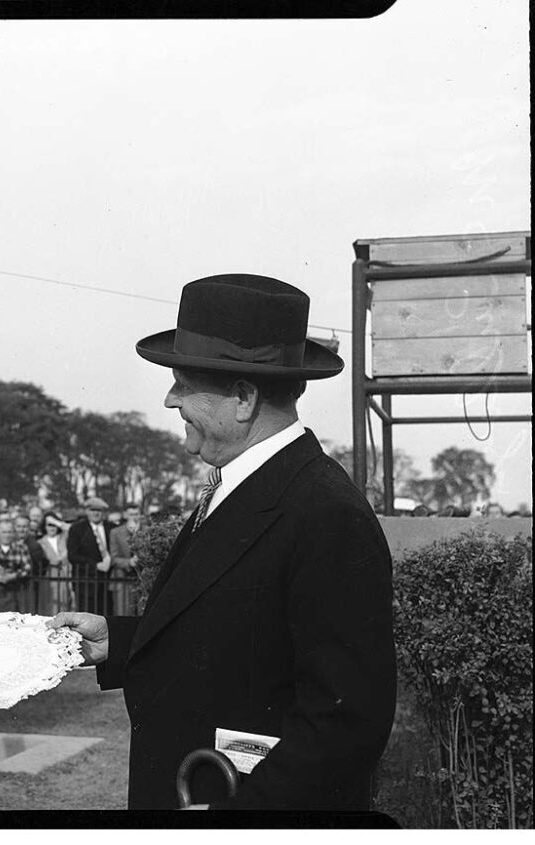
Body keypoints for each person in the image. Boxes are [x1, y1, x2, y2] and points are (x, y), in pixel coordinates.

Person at [51, 274, 396, 811]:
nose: (170, 400)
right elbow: (233, 633)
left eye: (183, 384)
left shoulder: (326, 512)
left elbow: (345, 723)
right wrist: (117, 641)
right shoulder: (250, 486)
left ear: (242, 398)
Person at [67, 496, 115, 616]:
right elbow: (72, 556)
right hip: (86, 583)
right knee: (86, 618)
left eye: (99, 510)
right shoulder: (77, 529)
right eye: (92, 510)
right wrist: (95, 565)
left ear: (103, 512)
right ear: (87, 511)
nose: (96, 513)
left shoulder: (111, 528)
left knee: (107, 616)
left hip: (108, 583)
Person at [0, 519, 33, 612]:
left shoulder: (21, 548)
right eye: (4, 532)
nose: (7, 535)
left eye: (9, 532)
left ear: (14, 533)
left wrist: (13, 575)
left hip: (16, 590)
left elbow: (27, 568)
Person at [108, 503, 141, 616]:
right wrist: (129, 562)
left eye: (136, 514)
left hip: (142, 579)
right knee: (123, 614)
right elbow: (113, 558)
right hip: (122, 579)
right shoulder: (116, 532)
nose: (134, 517)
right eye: (131, 514)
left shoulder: (147, 530)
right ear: (125, 515)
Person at [37, 512, 72, 614]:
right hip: (51, 577)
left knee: (68, 606)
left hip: (67, 575)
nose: (52, 528)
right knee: (52, 606)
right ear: (44, 526)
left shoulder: (64, 537)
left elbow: (73, 529)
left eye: (54, 525)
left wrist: (57, 522)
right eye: (49, 525)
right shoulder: (40, 542)